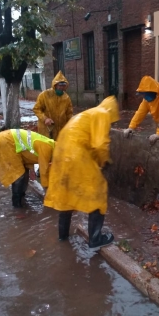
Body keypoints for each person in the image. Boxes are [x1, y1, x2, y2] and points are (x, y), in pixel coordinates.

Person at [44, 96, 119, 251]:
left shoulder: (87, 114)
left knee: (66, 195)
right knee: (98, 192)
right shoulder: (103, 113)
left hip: (61, 153)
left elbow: (85, 139)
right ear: (112, 111)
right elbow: (100, 145)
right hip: (76, 155)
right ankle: (96, 239)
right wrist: (103, 162)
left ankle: (63, 235)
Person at [0, 129, 55, 208]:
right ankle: (17, 206)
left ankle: (22, 198)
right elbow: (44, 172)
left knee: (24, 171)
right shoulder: (47, 148)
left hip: (8, 138)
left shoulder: (51, 145)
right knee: (18, 175)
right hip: (7, 141)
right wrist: (47, 194)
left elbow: (29, 154)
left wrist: (31, 170)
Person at [33, 70, 73, 141]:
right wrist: (45, 119)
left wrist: (70, 124)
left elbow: (69, 113)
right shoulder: (45, 95)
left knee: (58, 148)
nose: (61, 88)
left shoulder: (66, 98)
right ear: (55, 85)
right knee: (46, 148)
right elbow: (37, 109)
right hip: (47, 128)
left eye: (63, 86)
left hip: (61, 128)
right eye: (60, 85)